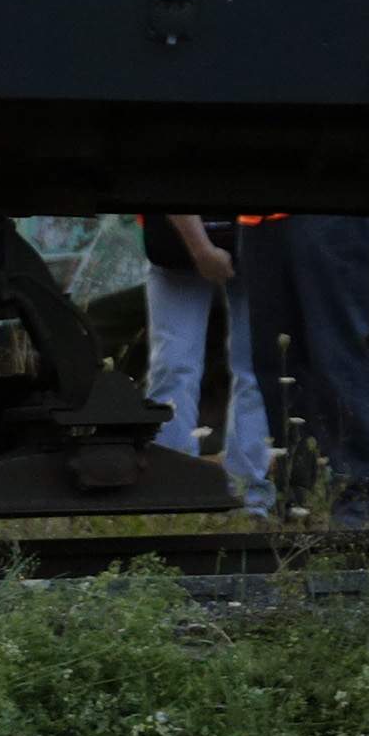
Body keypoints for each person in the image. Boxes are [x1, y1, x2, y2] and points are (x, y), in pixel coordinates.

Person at [243, 210, 369, 527]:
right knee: (277, 366)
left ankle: (359, 497)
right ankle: (299, 500)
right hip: (260, 213)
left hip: (327, 204)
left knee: (339, 355)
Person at [140, 214, 271, 514]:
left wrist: (200, 249)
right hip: (200, 243)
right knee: (248, 371)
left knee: (175, 369)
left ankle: (175, 493)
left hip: (179, 241)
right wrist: (202, 250)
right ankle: (239, 494)